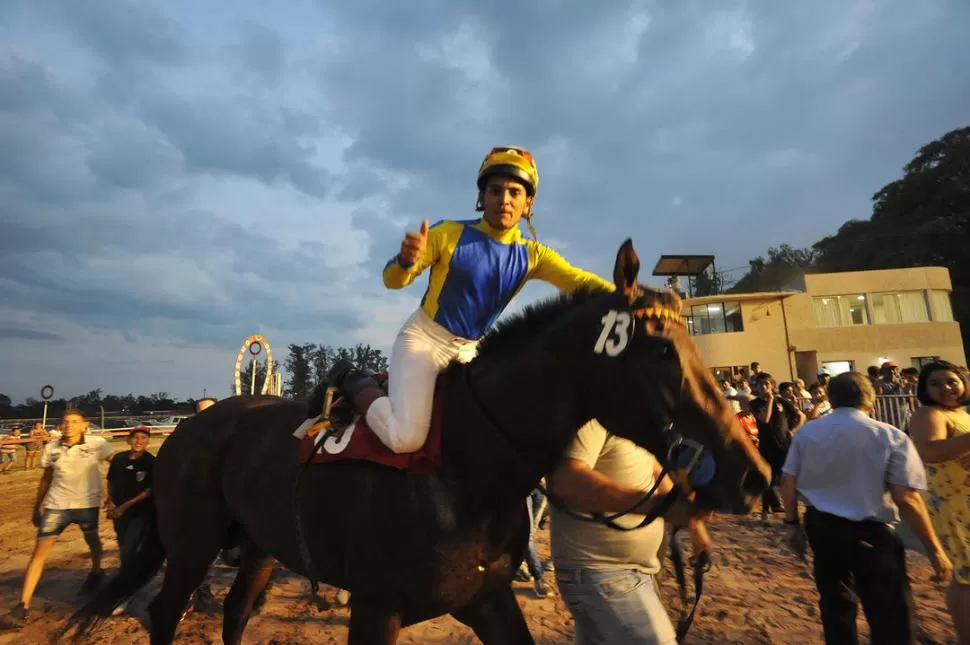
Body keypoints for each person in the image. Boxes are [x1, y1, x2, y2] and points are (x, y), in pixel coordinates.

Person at [326, 146, 614, 454]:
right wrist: (406, 262)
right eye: (495, 191)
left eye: (514, 192)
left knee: (486, 434)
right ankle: (354, 379)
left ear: (528, 203)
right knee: (405, 439)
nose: (504, 200)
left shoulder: (533, 255)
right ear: (482, 197)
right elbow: (392, 281)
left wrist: (634, 296)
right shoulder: (448, 234)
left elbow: (580, 281)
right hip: (423, 342)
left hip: (470, 352)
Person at [780, 372, 952, 645]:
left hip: (821, 527)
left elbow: (788, 479)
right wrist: (935, 550)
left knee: (836, 604)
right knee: (889, 612)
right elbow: (906, 498)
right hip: (870, 532)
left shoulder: (807, 432)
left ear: (831, 399)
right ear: (870, 399)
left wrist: (791, 524)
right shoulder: (889, 436)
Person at [548, 419, 710, 645]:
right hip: (601, 572)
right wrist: (659, 506)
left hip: (634, 573)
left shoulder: (637, 423)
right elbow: (568, 481)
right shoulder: (593, 419)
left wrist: (694, 522)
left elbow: (653, 469)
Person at [0, 410, 114, 627]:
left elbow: (115, 465)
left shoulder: (97, 444)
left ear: (84, 425)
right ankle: (22, 605)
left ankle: (97, 570)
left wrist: (114, 496)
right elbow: (46, 479)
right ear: (60, 426)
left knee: (93, 540)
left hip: (87, 505)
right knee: (39, 553)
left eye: (74, 422)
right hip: (56, 506)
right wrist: (37, 505)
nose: (68, 425)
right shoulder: (51, 448)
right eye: (65, 422)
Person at [908, 361, 970, 643]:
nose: (945, 388)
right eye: (935, 383)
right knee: (966, 575)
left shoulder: (960, 414)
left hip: (965, 498)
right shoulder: (928, 414)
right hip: (953, 504)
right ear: (925, 389)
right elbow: (930, 451)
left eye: (951, 381)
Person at [750, 373, 805, 523]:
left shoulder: (782, 402)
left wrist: (793, 430)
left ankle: (790, 512)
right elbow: (764, 419)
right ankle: (766, 512)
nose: (764, 387)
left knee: (788, 477)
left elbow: (800, 415)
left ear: (772, 385)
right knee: (767, 479)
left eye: (767, 384)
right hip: (767, 446)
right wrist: (770, 400)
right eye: (761, 384)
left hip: (785, 445)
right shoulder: (755, 403)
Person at [105, 426, 154, 568]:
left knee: (131, 542)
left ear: (148, 441)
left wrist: (124, 506)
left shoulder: (150, 462)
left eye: (143, 438)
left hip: (140, 510)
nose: (139, 441)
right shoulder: (119, 459)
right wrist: (111, 502)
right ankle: (130, 568)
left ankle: (128, 572)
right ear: (128, 440)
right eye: (135, 437)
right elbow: (111, 481)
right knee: (122, 540)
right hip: (119, 509)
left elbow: (148, 490)